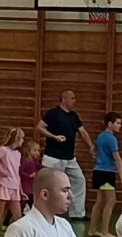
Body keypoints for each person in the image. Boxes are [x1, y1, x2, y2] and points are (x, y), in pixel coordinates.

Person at [39, 90, 91, 220]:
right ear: (64, 99)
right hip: (53, 156)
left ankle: (77, 213)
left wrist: (91, 146)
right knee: (48, 183)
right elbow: (40, 127)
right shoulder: (53, 113)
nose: (74, 101)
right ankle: (39, 209)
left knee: (79, 180)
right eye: (72, 98)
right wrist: (54, 137)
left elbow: (83, 132)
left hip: (69, 157)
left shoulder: (73, 116)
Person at [88, 113, 122, 237]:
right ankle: (104, 231)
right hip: (106, 174)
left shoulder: (100, 136)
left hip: (98, 171)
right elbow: (117, 158)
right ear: (110, 124)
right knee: (110, 201)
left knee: (100, 201)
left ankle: (92, 230)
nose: (120, 126)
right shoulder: (111, 139)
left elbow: (92, 149)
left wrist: (98, 158)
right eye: (117, 123)